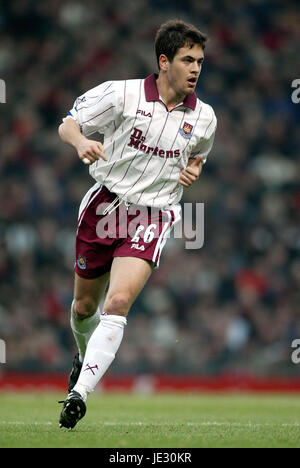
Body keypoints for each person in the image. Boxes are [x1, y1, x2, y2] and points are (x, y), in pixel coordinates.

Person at [58, 19, 217, 429]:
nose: (196, 68)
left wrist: (194, 169)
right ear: (164, 62)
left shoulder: (205, 117)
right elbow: (68, 122)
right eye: (187, 60)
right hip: (104, 207)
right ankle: (83, 355)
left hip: (153, 214)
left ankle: (79, 394)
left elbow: (200, 153)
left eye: (200, 60)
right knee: (83, 308)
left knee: (117, 303)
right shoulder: (121, 94)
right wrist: (82, 143)